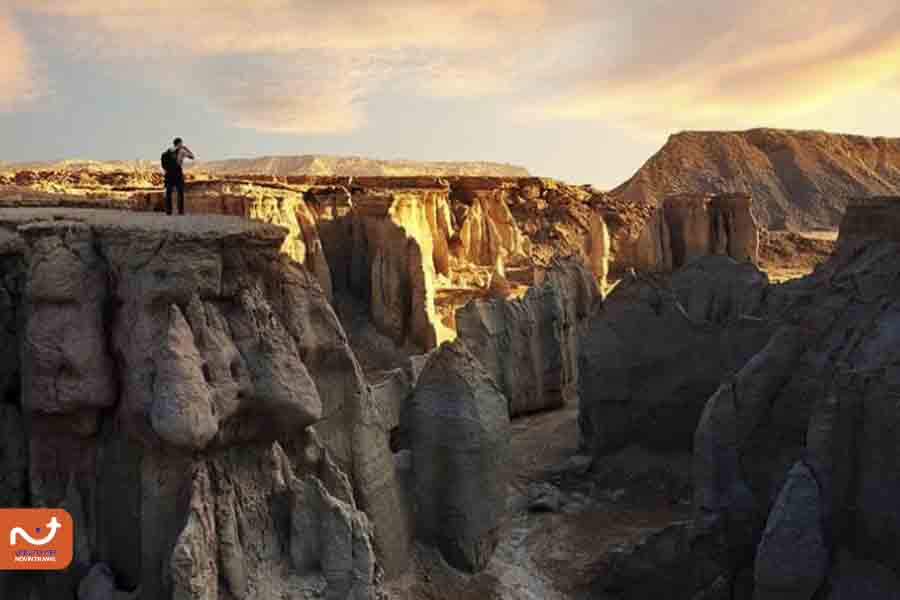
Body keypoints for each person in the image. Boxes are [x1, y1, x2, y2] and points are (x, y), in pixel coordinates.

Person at [161, 137, 195, 215]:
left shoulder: (168, 151)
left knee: (169, 192)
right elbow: (192, 156)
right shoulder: (182, 150)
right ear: (179, 143)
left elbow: (164, 162)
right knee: (180, 192)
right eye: (181, 143)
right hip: (177, 173)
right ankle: (180, 211)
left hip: (169, 174)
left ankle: (169, 211)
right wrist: (186, 148)